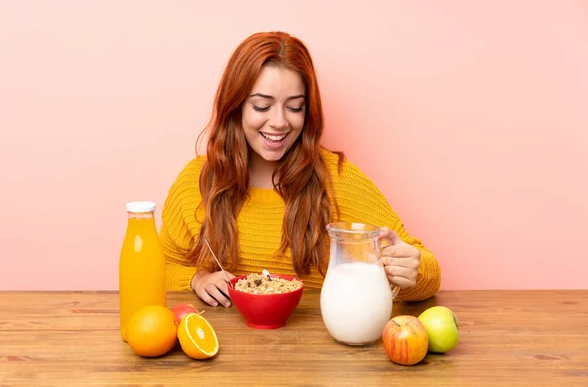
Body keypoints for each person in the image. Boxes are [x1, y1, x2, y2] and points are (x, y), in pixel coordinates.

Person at [160, 31, 441, 308]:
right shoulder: (195, 182)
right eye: (261, 106)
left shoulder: (338, 180)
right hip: (228, 348)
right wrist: (196, 280)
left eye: (295, 107)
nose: (280, 122)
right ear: (235, 107)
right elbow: (162, 269)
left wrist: (410, 272)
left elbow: (428, 271)